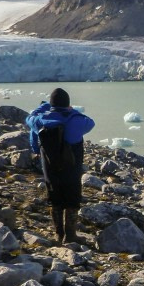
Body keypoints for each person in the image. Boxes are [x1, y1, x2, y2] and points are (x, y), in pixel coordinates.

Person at [26, 87, 95, 244]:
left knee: (54, 196)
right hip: (72, 166)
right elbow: (90, 122)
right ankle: (71, 235)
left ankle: (58, 235)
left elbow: (30, 117)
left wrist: (44, 108)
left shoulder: (39, 121)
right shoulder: (75, 120)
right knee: (72, 197)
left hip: (50, 166)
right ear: (68, 104)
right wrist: (72, 111)